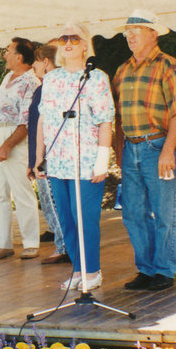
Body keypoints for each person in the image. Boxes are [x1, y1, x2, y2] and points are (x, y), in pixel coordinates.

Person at [113, 9, 176, 291]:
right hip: (131, 149)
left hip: (158, 145)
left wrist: (169, 150)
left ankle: (164, 270)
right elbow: (118, 115)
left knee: (163, 211)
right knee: (133, 212)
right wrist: (118, 147)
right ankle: (145, 269)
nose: (130, 35)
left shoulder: (169, 66)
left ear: (153, 34)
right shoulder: (123, 70)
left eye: (137, 30)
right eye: (127, 31)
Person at [35, 23, 115, 290]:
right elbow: (43, 120)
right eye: (63, 38)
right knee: (66, 219)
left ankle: (93, 271)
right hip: (57, 161)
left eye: (74, 38)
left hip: (86, 160)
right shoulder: (51, 78)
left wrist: (102, 161)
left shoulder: (97, 77)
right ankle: (79, 270)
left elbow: (105, 121)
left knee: (85, 217)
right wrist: (39, 156)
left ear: (84, 44)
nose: (68, 42)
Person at [0, 37, 41, 261]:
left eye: (8, 50)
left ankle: (31, 243)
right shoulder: (7, 77)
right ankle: (2, 244)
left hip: (14, 135)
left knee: (21, 189)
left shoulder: (31, 82)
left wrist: (7, 145)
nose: (4, 54)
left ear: (19, 56)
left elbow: (26, 122)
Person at [27, 41, 69, 265]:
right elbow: (34, 126)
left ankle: (64, 246)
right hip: (40, 156)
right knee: (47, 201)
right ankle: (62, 244)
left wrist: (39, 158)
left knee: (54, 202)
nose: (32, 65)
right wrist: (32, 159)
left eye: (36, 60)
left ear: (45, 62)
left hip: (53, 155)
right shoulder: (40, 89)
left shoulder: (54, 87)